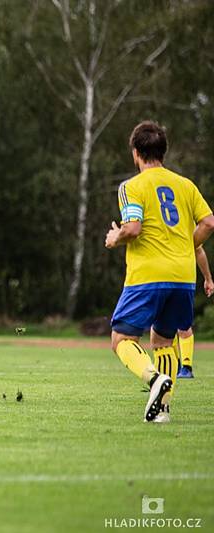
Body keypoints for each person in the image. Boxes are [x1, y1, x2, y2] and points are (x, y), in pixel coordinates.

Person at [105, 120, 214, 423]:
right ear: (163, 152)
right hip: (182, 276)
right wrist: (184, 245)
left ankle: (154, 379)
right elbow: (209, 223)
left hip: (148, 275)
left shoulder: (131, 187)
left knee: (121, 339)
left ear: (136, 153)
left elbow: (133, 228)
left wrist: (116, 238)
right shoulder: (186, 185)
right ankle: (162, 411)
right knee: (164, 341)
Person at [172, 246, 214, 379]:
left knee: (182, 324)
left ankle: (186, 367)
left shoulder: (185, 228)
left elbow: (198, 249)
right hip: (157, 280)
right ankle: (175, 365)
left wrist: (208, 278)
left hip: (181, 279)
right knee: (162, 325)